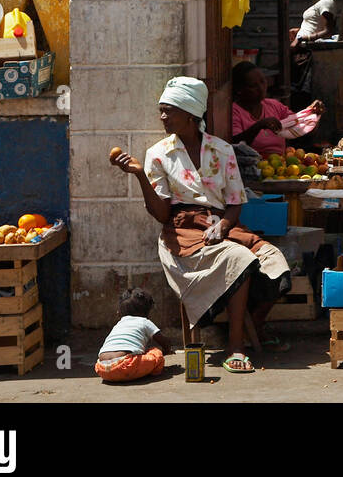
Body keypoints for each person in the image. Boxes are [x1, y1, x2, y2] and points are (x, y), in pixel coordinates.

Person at [109, 76, 291, 375]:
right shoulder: (159, 154)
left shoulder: (222, 150)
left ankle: (252, 325)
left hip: (224, 224)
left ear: (191, 115)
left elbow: (234, 201)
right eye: (161, 110)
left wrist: (223, 227)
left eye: (169, 110)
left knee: (276, 261)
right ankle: (235, 346)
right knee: (240, 258)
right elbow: (160, 213)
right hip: (181, 233)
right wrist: (140, 175)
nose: (163, 117)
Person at [230, 61, 323, 156]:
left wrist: (312, 114)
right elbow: (235, 145)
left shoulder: (274, 106)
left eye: (262, 81)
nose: (261, 88)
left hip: (279, 165)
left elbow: (298, 125)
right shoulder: (234, 111)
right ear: (239, 90)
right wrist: (259, 126)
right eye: (253, 86)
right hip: (250, 166)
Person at [94, 287, 172, 383]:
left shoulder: (118, 324)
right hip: (126, 366)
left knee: (137, 353)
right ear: (147, 310)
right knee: (156, 353)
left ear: (119, 312)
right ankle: (152, 371)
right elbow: (164, 342)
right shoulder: (144, 322)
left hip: (102, 369)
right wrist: (167, 350)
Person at [290, 0, 338, 104]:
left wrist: (302, 38)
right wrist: (299, 30)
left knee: (301, 95)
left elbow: (328, 31)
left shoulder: (326, 2)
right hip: (302, 51)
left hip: (307, 52)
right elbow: (317, 25)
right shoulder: (322, 3)